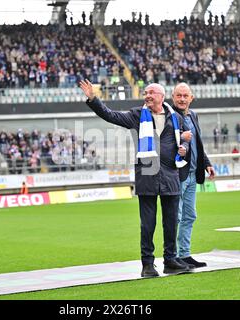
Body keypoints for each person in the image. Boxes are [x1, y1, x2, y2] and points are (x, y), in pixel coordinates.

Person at [79, 79, 193, 277]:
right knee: (147, 224)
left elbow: (182, 144)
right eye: (145, 93)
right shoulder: (137, 115)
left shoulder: (176, 118)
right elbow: (110, 115)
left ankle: (170, 260)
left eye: (151, 93)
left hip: (170, 176)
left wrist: (184, 148)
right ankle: (147, 264)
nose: (147, 96)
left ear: (161, 96)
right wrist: (93, 99)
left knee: (171, 221)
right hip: (147, 176)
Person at [171, 82, 215, 268]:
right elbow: (166, 143)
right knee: (176, 216)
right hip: (176, 174)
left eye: (185, 96)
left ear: (191, 98)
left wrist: (206, 163)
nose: (182, 99)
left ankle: (185, 254)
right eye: (178, 96)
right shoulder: (169, 116)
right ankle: (172, 256)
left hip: (192, 174)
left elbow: (198, 144)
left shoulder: (193, 115)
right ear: (173, 97)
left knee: (190, 216)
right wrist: (181, 138)